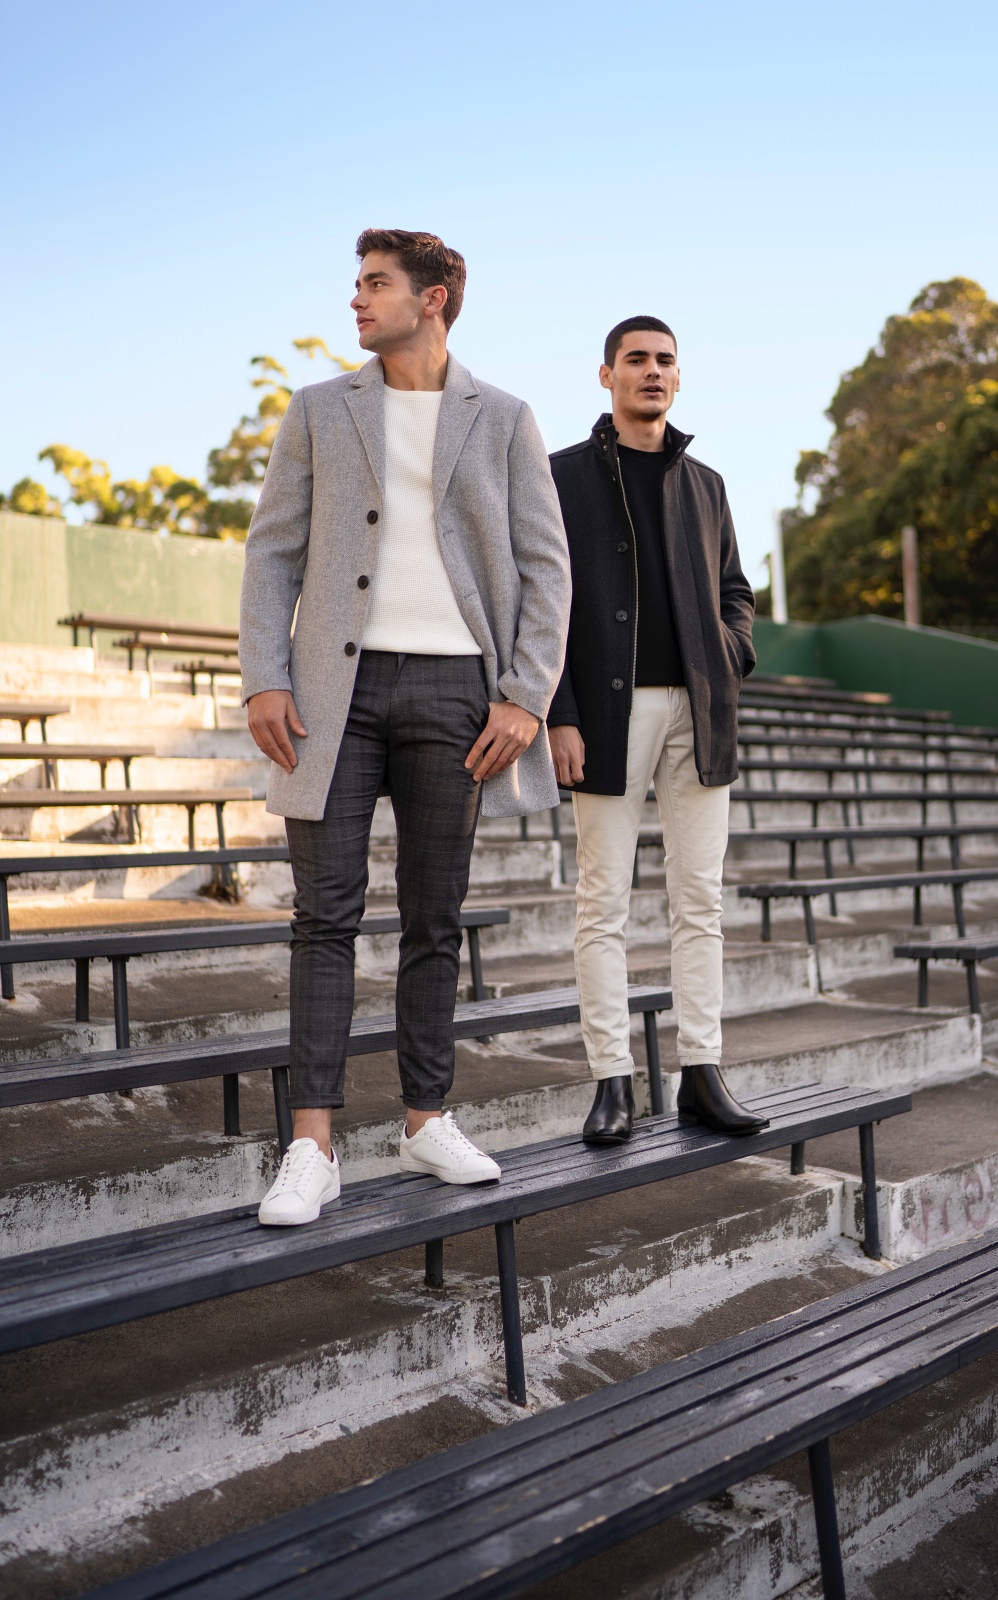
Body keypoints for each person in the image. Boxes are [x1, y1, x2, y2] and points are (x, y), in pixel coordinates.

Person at [240, 229, 570, 1224]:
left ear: (433, 298)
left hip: (457, 694)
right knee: (323, 917)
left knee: (435, 917)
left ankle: (427, 1119)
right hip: (331, 694)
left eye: (375, 283)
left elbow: (547, 567)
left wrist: (525, 695)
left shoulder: (504, 418)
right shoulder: (318, 409)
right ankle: (311, 1146)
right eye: (356, 283)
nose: (357, 298)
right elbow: (272, 553)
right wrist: (264, 677)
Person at [547, 315, 768, 1144]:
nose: (652, 371)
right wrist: (560, 713)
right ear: (606, 374)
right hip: (608, 716)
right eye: (635, 359)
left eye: (665, 360)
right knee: (602, 902)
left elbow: (736, 591)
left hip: (700, 713)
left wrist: (730, 655)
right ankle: (611, 1082)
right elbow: (542, 604)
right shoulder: (561, 475)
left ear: (679, 377)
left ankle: (702, 1074)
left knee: (700, 901)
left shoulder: (706, 484)